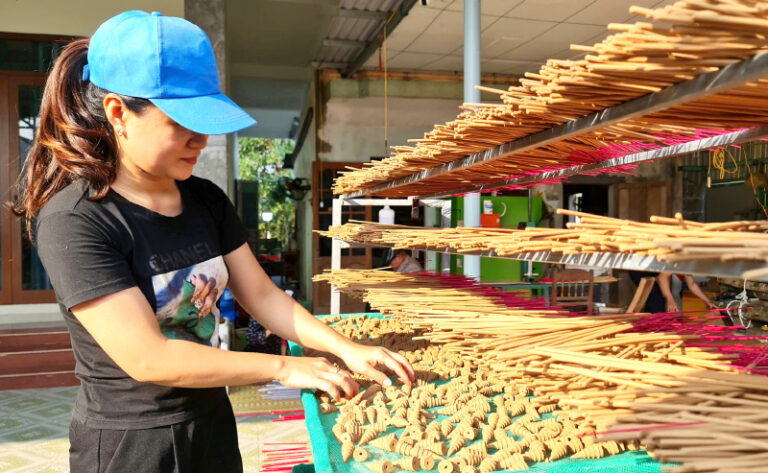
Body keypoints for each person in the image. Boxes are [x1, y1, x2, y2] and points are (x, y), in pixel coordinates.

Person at [12, 11, 414, 473]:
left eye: (205, 120)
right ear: (119, 113)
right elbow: (149, 357)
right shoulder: (78, 219)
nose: (200, 140)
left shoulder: (204, 199)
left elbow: (261, 295)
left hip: (211, 421)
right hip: (133, 444)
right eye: (182, 121)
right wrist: (283, 367)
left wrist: (345, 347)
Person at [629, 271, 717, 314]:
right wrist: (670, 299)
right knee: (657, 304)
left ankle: (654, 330)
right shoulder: (679, 258)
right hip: (640, 271)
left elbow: (692, 285)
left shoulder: (688, 264)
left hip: (654, 273)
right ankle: (654, 334)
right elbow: (662, 278)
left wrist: (707, 301)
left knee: (658, 303)